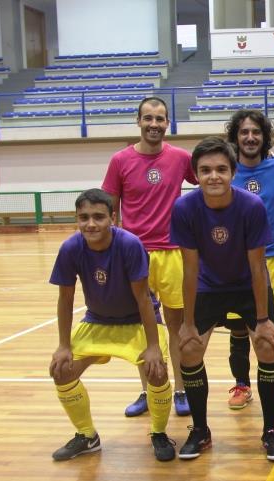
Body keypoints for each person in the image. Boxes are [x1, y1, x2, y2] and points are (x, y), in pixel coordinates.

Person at [169, 136, 274, 461]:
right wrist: (188, 324)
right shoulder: (184, 209)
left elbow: (257, 266)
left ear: (233, 171)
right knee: (189, 350)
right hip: (209, 286)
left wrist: (263, 321)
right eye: (205, 170)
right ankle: (200, 431)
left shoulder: (251, 206)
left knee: (267, 345)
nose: (214, 176)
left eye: (221, 169)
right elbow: (190, 270)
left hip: (249, 285)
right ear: (195, 174)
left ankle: (270, 431)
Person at [48, 188, 175, 462]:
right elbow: (65, 298)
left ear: (112, 218)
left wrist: (153, 346)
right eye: (84, 217)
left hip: (137, 322)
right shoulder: (71, 248)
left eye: (98, 217)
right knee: (61, 370)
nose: (91, 224)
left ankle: (159, 433)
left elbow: (144, 298)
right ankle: (87, 436)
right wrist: (63, 345)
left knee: (157, 371)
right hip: (97, 321)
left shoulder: (129, 244)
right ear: (76, 219)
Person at [102, 97, 196, 418]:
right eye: (148, 118)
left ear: (168, 123)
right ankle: (150, 389)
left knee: (177, 325)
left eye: (160, 119)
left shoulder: (182, 158)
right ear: (138, 121)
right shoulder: (120, 161)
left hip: (173, 254)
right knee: (144, 327)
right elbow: (109, 209)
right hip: (135, 254)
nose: (154, 124)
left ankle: (181, 390)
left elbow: (215, 179)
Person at [224, 109, 274, 410]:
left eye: (256, 132)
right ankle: (241, 385)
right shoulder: (226, 170)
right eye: (244, 132)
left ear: (264, 137)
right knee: (239, 329)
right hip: (235, 264)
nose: (250, 137)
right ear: (236, 137)